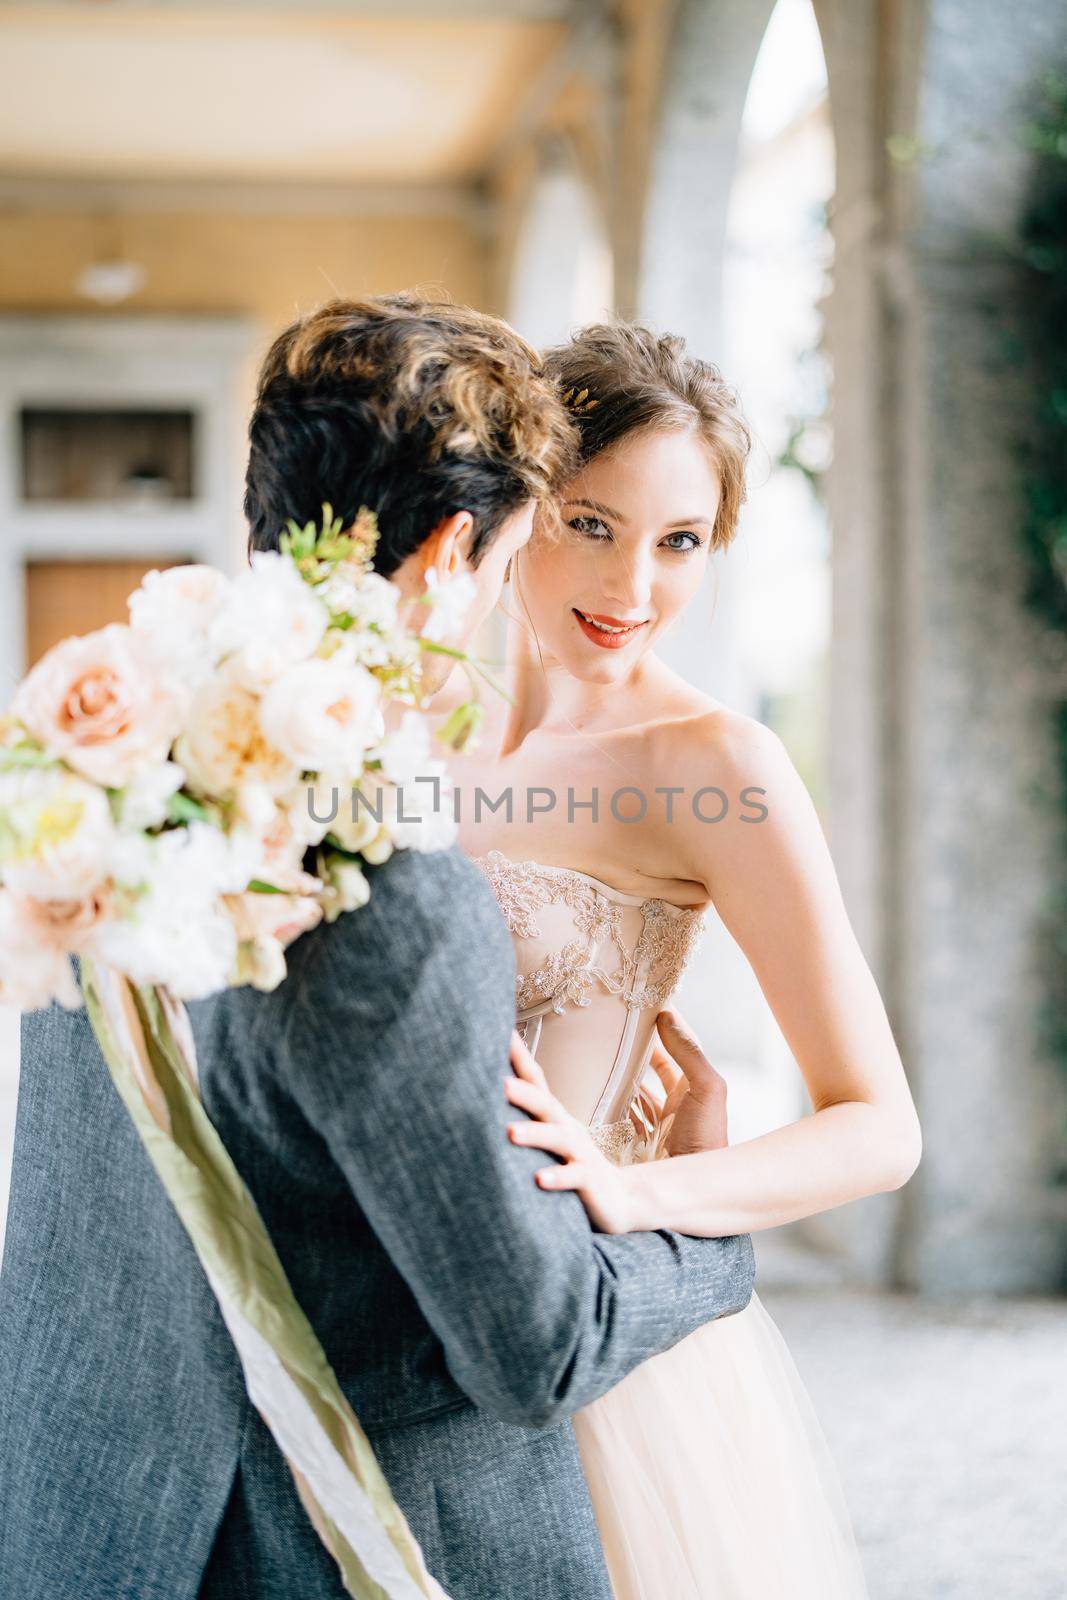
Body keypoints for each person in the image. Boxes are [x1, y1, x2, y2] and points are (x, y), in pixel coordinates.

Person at [0, 297, 756, 1600]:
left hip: (91, 1520)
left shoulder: (97, 771)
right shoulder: (395, 894)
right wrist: (710, 1234)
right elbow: (530, 1350)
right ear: (456, 551)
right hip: (364, 1543)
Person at [447, 321, 923, 1598]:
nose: (634, 589)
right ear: (519, 498)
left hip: (599, 1357)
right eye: (592, 523)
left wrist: (641, 1191)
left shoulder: (711, 766)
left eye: (680, 542)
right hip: (388, 1314)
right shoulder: (410, 727)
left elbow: (878, 1126)